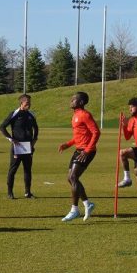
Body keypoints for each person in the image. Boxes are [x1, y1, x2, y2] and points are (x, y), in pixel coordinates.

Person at [58, 92, 100, 222]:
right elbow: (78, 136)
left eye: (74, 99)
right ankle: (86, 204)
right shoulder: (75, 115)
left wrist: (87, 150)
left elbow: (96, 132)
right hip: (78, 150)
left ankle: (75, 209)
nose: (71, 101)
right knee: (70, 179)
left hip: (87, 151)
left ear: (81, 102)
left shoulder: (85, 115)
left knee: (73, 177)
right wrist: (68, 144)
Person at [0, 94, 39, 199]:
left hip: (28, 147)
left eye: (30, 103)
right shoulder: (14, 113)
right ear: (21, 103)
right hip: (17, 147)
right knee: (13, 169)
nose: (29, 105)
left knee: (27, 170)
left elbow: (36, 128)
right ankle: (10, 193)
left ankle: (28, 193)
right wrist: (11, 139)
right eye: (27, 103)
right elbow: (2, 127)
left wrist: (34, 140)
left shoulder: (31, 114)